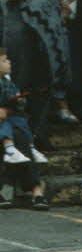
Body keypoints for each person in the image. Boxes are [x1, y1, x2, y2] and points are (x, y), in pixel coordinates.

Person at [0, 0, 73, 139]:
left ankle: (39, 136)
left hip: (47, 35)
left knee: (44, 81)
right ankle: (21, 139)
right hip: (20, 32)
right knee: (21, 82)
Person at [0, 47, 49, 207]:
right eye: (4, 60)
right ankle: (35, 189)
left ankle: (36, 190)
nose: (9, 62)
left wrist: (11, 106)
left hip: (5, 121)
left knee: (19, 135)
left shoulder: (7, 82)